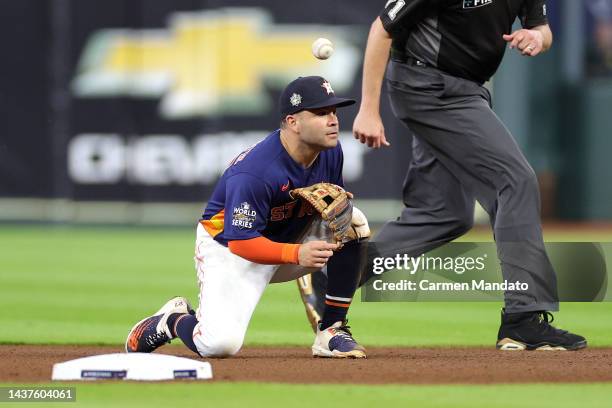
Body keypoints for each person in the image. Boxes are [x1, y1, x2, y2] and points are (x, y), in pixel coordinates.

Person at [301, 0, 586, 351]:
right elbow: (382, 29)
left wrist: (537, 38)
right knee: (515, 181)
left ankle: (335, 276)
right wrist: (369, 110)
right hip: (428, 86)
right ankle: (523, 317)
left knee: (444, 213)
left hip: (466, 89)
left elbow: (542, 28)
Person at [125, 76, 368, 359]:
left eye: (334, 112)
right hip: (232, 250)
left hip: (287, 239)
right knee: (219, 345)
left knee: (352, 221)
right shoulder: (256, 172)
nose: (333, 120)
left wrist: (325, 218)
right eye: (320, 113)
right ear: (292, 122)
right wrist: (297, 252)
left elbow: (330, 205)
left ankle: (330, 331)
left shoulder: (330, 151)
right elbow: (241, 242)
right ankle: (173, 320)